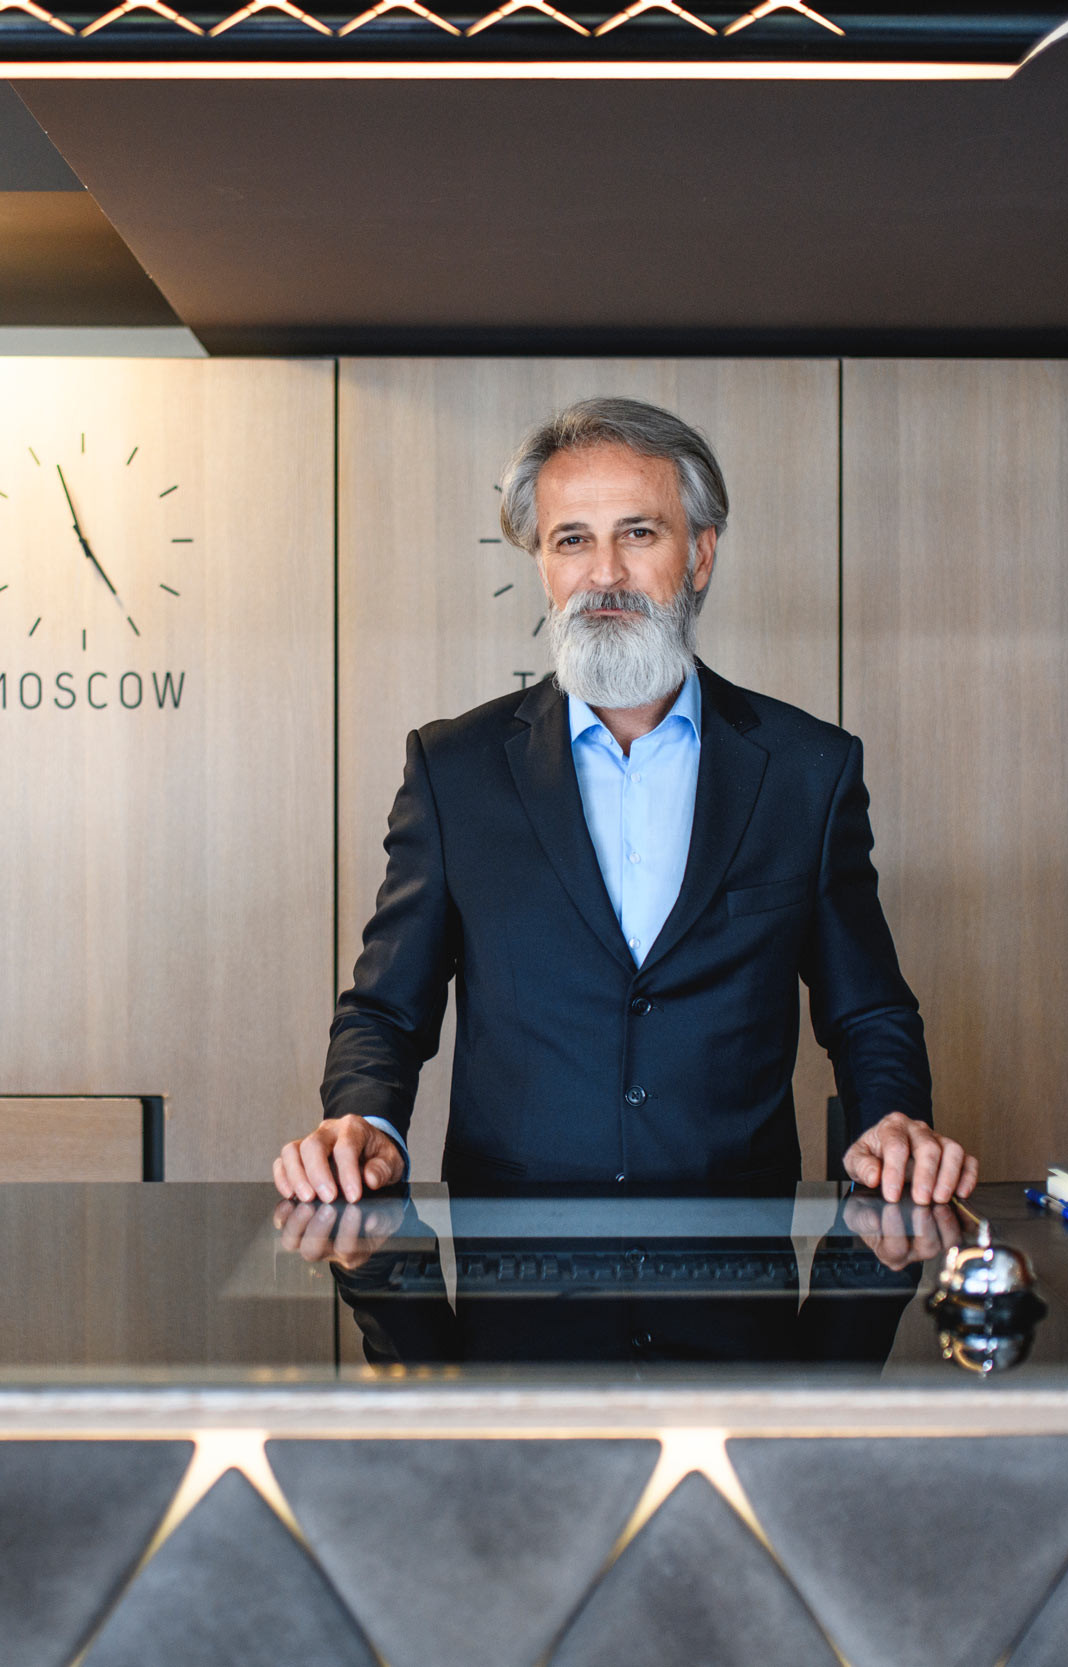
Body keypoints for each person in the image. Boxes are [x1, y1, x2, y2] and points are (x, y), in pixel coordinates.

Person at [274, 397, 977, 1207]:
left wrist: (891, 1118)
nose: (604, 573)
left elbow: (869, 1011)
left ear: (701, 555)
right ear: (543, 564)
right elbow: (385, 1010)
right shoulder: (453, 769)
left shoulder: (806, 770)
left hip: (735, 1273)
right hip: (516, 1276)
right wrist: (364, 1119)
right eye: (572, 539)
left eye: (639, 533)